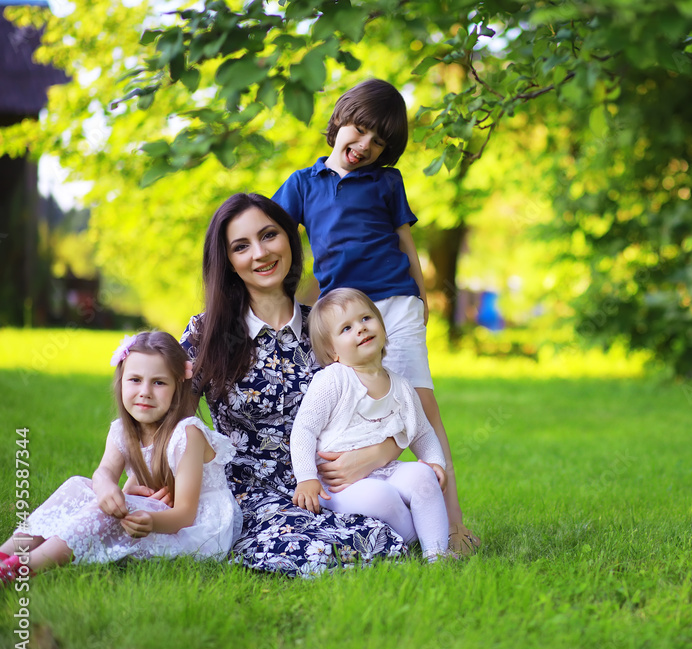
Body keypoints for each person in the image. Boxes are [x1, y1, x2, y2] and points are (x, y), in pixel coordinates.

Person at [272, 78, 479, 554]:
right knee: (346, 403)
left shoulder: (386, 181)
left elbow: (405, 240)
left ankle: (453, 527)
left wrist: (421, 297)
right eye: (360, 130)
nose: (365, 145)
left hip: (396, 303)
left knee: (422, 408)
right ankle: (373, 501)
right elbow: (275, 234)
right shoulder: (303, 183)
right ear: (340, 119)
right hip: (343, 316)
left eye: (379, 142)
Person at [180, 193, 409, 577]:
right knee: (318, 551)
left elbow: (388, 403)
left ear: (289, 238)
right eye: (241, 246)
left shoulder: (328, 330)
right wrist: (148, 476)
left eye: (269, 235)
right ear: (228, 262)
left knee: (386, 528)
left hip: (334, 487)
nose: (260, 253)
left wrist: (379, 453)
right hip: (251, 495)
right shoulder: (208, 332)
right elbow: (171, 417)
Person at [0, 332, 240, 584]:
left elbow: (185, 515)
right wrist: (106, 487)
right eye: (135, 380)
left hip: (197, 529)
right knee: (77, 485)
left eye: (159, 383)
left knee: (105, 512)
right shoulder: (123, 431)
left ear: (177, 387)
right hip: (158, 510)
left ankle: (22, 567)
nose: (145, 392)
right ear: (121, 381)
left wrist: (151, 520)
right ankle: (7, 551)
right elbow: (104, 471)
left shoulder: (187, 434)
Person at [290, 288, 450, 561]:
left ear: (382, 326)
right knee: (380, 496)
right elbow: (304, 429)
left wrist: (435, 462)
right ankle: (414, 540)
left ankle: (437, 554)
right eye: (346, 328)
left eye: (366, 318)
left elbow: (422, 432)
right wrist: (306, 478)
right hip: (338, 485)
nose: (361, 328)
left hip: (386, 470)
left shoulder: (402, 387)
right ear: (333, 351)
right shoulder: (333, 380)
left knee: (423, 478)